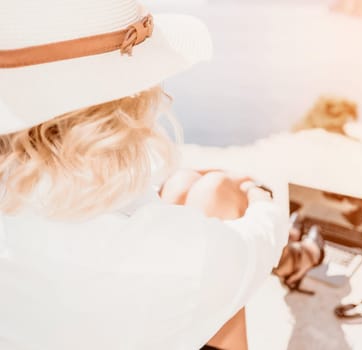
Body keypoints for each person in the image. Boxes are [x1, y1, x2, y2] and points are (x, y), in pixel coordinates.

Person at [0, 1, 288, 349]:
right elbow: (254, 248)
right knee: (218, 195)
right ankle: (303, 256)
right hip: (196, 268)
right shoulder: (170, 260)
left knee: (185, 186)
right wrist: (260, 197)